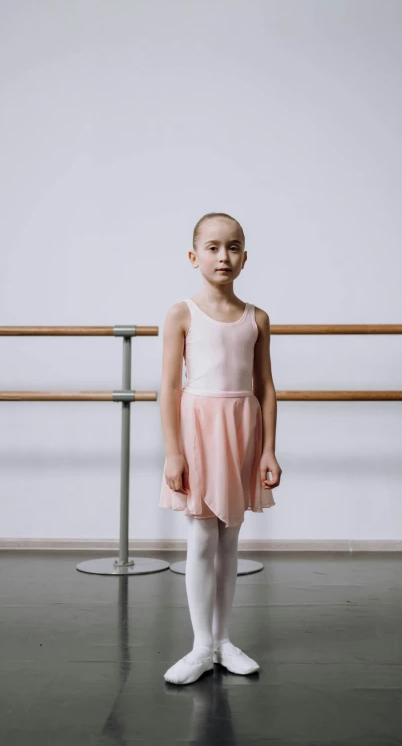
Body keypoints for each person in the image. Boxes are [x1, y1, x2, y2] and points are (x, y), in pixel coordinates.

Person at [158, 212, 282, 685]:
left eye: (232, 247)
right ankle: (199, 646)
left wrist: (269, 449)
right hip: (198, 432)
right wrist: (174, 452)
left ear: (244, 257)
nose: (223, 256)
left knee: (230, 538)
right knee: (201, 537)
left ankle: (224, 640)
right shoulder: (181, 314)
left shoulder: (258, 318)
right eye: (212, 247)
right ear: (194, 257)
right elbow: (169, 387)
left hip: (241, 431)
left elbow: (266, 387)